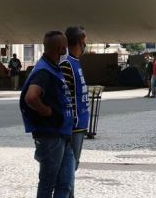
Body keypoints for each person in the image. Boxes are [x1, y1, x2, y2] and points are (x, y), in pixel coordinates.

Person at [19, 31, 75, 198]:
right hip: (51, 135)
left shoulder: (52, 67)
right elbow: (31, 96)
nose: (67, 52)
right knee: (48, 183)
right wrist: (45, 110)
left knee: (65, 183)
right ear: (60, 49)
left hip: (62, 133)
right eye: (65, 48)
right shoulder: (44, 71)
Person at [60, 26, 90, 194]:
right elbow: (65, 96)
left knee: (72, 167)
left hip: (80, 125)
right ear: (79, 42)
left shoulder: (75, 62)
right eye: (84, 42)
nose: (85, 45)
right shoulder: (66, 64)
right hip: (73, 126)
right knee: (68, 170)